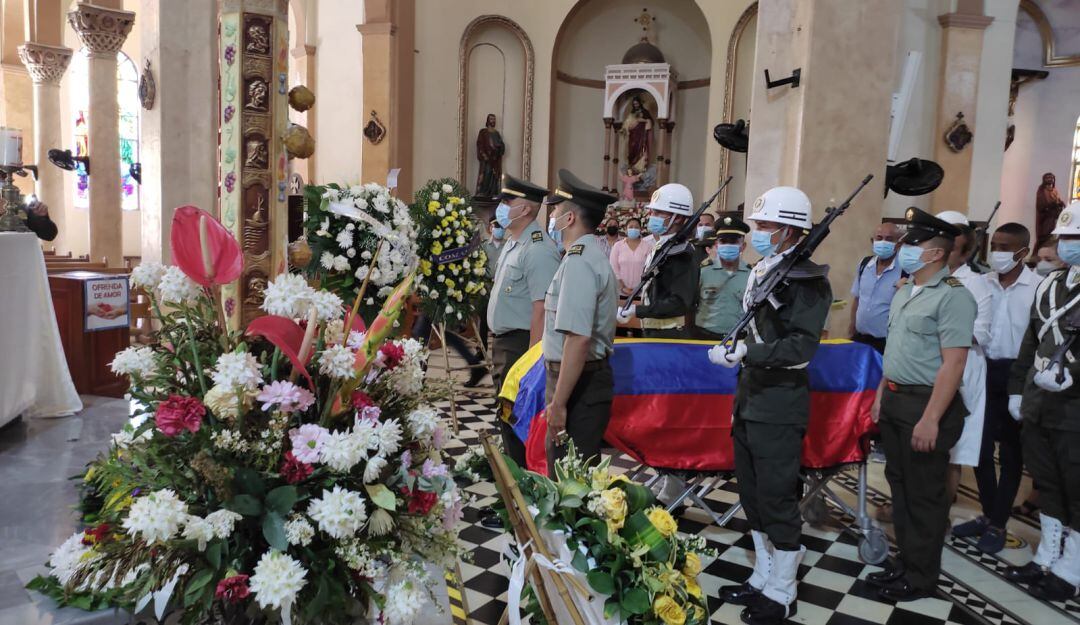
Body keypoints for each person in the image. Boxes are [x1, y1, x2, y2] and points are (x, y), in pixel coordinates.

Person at [709, 187, 832, 624]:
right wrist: (738, 351)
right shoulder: (768, 268)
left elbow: (801, 348)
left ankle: (783, 591)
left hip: (779, 406)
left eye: (764, 227)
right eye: (756, 225)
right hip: (750, 400)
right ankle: (762, 576)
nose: (756, 233)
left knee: (778, 498)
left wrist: (748, 353)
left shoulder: (809, 280)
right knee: (753, 494)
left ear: (791, 230)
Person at [868, 207, 976, 602]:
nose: (903, 249)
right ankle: (906, 563)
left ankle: (921, 577)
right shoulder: (906, 291)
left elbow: (955, 362)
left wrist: (931, 418)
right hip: (897, 399)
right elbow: (895, 351)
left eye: (912, 244)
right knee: (900, 490)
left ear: (934, 254)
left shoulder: (952, 299)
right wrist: (881, 394)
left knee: (925, 497)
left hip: (926, 406)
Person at [1003, 201, 1080, 601]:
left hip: (1075, 409)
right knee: (1047, 483)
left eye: (1076, 238)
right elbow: (1030, 342)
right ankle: (1046, 556)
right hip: (1040, 403)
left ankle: (1071, 569)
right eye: (1065, 237)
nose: (1069, 245)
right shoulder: (1051, 285)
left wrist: (1072, 373)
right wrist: (1018, 387)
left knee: (1076, 488)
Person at [952, 223, 1039, 553]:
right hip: (984, 369)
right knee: (981, 446)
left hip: (1019, 374)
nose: (997, 252)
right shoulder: (983, 282)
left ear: (1022, 251)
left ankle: (999, 522)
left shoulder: (1037, 287)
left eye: (1005, 246)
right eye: (995, 245)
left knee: (1012, 454)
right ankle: (989, 514)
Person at [540, 169, 618, 469]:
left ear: (569, 219)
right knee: (574, 473)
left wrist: (559, 405)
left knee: (569, 479)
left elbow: (578, 338)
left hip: (577, 383)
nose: (553, 217)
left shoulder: (580, 263)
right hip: (580, 379)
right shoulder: (587, 256)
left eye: (556, 211)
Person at [487, 174, 560, 468]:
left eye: (508, 201)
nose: (502, 207)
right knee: (507, 416)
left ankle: (525, 485)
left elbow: (541, 308)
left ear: (526, 210)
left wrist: (531, 361)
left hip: (521, 346)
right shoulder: (514, 242)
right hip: (505, 343)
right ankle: (514, 481)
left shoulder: (538, 248)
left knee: (516, 417)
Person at [937, 212, 993, 507]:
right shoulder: (929, 278)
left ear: (966, 251)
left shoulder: (976, 284)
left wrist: (935, 327)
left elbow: (981, 333)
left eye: (951, 248)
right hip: (928, 365)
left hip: (963, 367)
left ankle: (941, 509)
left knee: (953, 447)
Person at [617, 183, 698, 338]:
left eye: (659, 212)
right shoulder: (662, 247)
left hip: (671, 334)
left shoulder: (682, 254)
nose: (652, 216)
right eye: (652, 211)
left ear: (678, 217)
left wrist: (637, 310)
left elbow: (679, 303)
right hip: (655, 331)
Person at [848, 222, 904, 354]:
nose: (883, 242)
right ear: (872, 241)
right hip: (860, 338)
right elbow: (857, 299)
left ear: (899, 244)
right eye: (879, 238)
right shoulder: (864, 265)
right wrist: (851, 328)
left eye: (889, 239)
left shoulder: (905, 271)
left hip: (887, 343)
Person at [692, 216, 750, 339]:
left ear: (743, 246)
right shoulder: (703, 272)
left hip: (739, 340)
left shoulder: (752, 275)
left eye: (733, 241)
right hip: (705, 337)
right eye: (723, 241)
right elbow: (691, 306)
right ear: (717, 245)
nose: (728, 245)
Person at [475, 218, 505, 355]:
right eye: (497, 226)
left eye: (502, 227)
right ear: (491, 228)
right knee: (483, 318)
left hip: (502, 287)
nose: (500, 230)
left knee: (500, 319)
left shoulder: (508, 245)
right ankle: (481, 349)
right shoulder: (484, 246)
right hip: (485, 287)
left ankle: (499, 351)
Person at [609, 217, 654, 297]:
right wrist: (622, 287)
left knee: (637, 309)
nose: (633, 229)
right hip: (620, 292)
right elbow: (613, 268)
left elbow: (650, 269)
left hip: (641, 292)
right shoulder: (618, 246)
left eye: (636, 227)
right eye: (631, 227)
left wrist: (640, 287)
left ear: (641, 229)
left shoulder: (648, 247)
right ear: (626, 230)